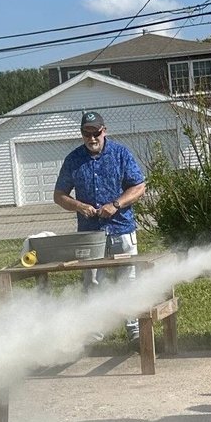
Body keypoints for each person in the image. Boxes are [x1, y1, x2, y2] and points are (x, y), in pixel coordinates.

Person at [53, 110, 148, 344]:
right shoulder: (73, 159)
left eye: (96, 133)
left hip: (121, 229)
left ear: (104, 131)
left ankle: (134, 331)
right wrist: (79, 206)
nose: (92, 138)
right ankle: (95, 333)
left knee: (128, 280)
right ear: (82, 134)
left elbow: (139, 187)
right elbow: (59, 195)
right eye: (87, 134)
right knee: (93, 282)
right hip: (90, 234)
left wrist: (116, 205)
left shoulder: (121, 154)